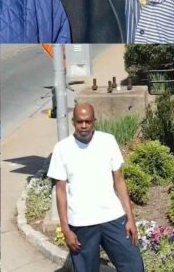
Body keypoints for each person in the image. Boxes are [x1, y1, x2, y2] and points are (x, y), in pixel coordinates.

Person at [48, 103, 143, 272]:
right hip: (81, 222)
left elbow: (119, 182)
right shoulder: (62, 149)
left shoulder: (108, 141)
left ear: (94, 121)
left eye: (87, 121)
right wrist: (65, 229)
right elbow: (60, 192)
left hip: (112, 217)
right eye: (79, 122)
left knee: (134, 266)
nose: (83, 126)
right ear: (73, 122)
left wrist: (130, 218)